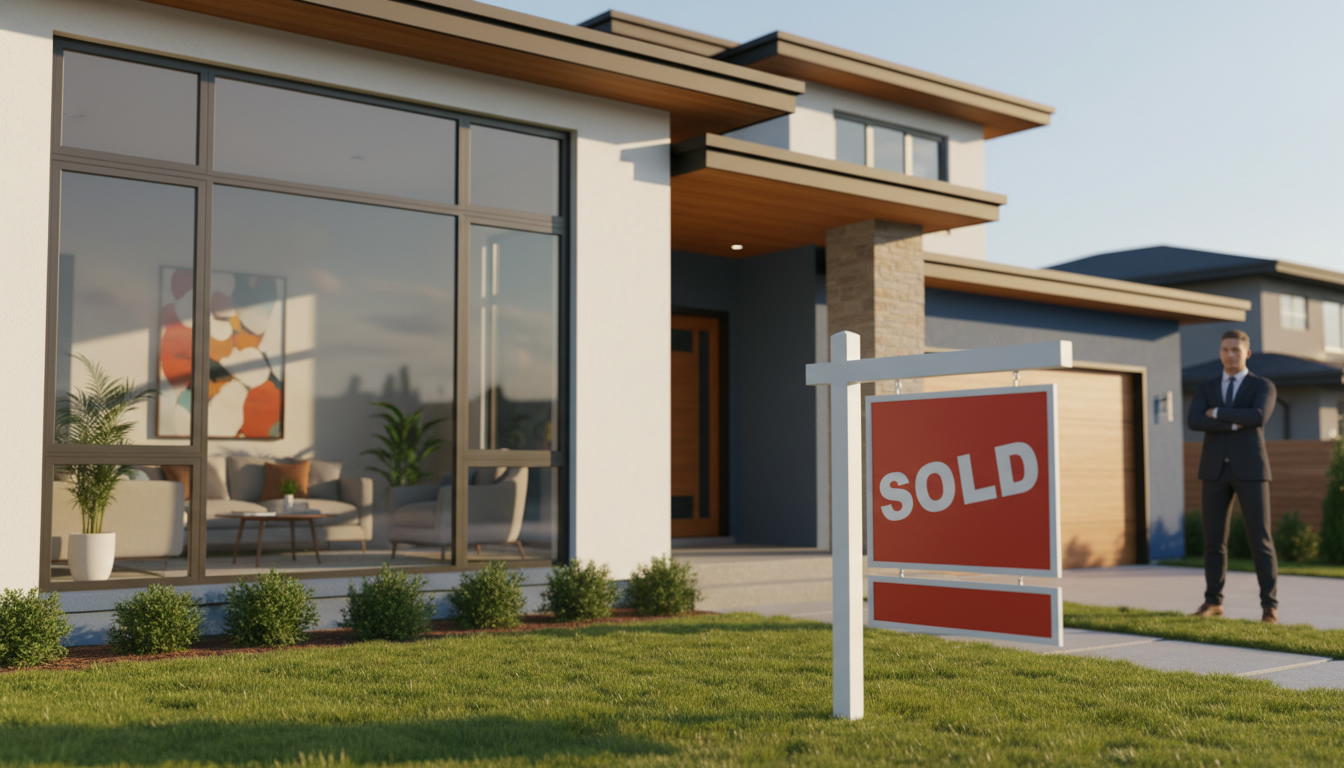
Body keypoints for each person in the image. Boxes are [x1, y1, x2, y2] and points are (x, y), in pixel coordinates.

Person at [1187, 329, 1279, 623]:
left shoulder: (1263, 385)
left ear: (1247, 353)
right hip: (1214, 470)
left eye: (1235, 350)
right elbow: (1194, 420)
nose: (1230, 355)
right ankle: (1213, 601)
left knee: (1260, 539)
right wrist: (1234, 423)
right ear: (1220, 352)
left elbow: (1258, 417)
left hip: (1251, 469)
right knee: (1214, 541)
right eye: (1225, 349)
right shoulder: (1207, 387)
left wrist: (1218, 414)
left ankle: (1269, 606)